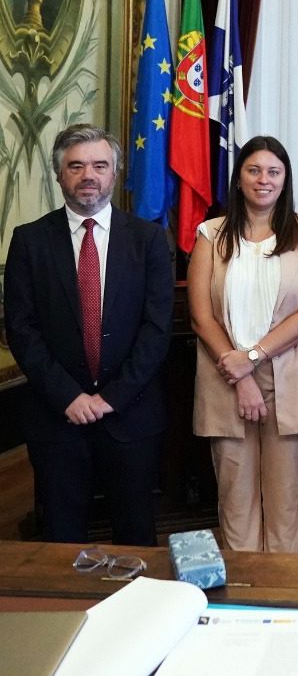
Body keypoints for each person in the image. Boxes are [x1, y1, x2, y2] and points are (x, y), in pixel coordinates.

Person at [4, 124, 173, 545]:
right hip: (57, 416)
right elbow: (21, 329)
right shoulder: (29, 241)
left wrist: (112, 397)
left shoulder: (149, 240)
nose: (88, 176)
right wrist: (69, 397)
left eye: (100, 165)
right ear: (59, 174)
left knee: (136, 535)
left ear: (115, 173)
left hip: (131, 414)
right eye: (76, 166)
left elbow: (156, 329)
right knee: (62, 540)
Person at [188, 136, 298, 552]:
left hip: (291, 377)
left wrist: (252, 357)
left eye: (273, 171)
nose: (263, 180)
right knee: (235, 499)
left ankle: (284, 586)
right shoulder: (211, 234)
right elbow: (201, 317)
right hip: (225, 377)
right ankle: (243, 584)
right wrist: (241, 374)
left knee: (286, 501)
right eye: (253, 170)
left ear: (285, 180)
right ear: (238, 179)